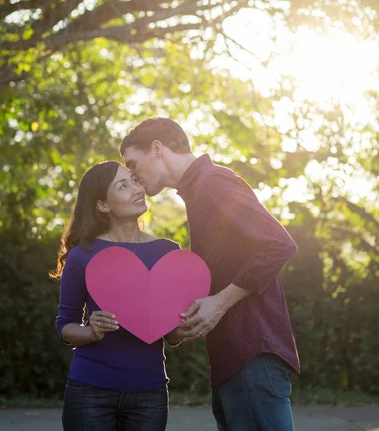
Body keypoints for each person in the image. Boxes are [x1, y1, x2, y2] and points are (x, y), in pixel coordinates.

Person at [120, 117, 300, 431]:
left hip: (251, 354)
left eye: (133, 163)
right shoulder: (197, 192)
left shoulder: (213, 182)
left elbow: (278, 244)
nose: (133, 175)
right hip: (233, 361)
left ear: (157, 148)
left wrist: (219, 302)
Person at [52, 160, 181, 431]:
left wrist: (191, 321)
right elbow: (65, 327)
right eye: (123, 186)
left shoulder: (168, 253)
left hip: (149, 392)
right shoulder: (82, 256)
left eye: (134, 180)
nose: (137, 189)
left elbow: (173, 336)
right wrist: (91, 332)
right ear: (103, 205)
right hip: (90, 392)